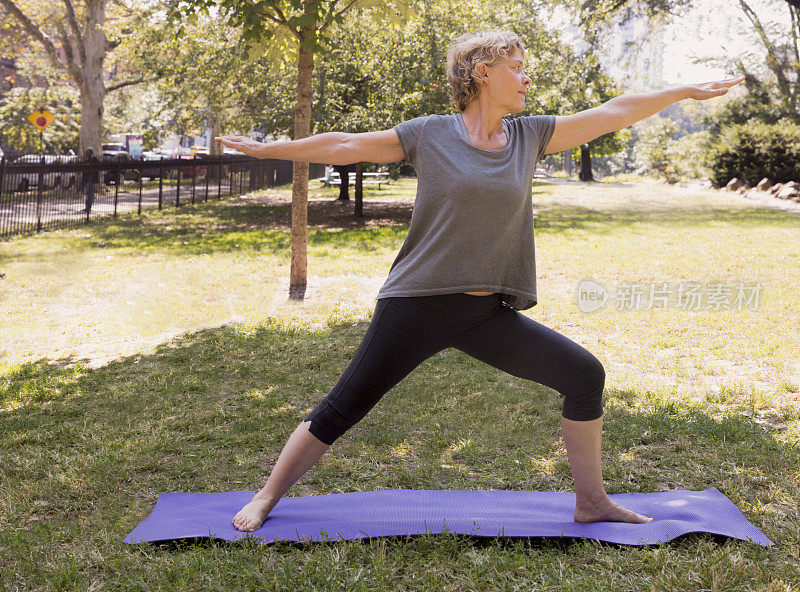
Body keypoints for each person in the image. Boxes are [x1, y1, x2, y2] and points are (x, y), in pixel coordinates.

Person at [214, 29, 744, 533]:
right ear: (483, 72)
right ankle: (267, 495)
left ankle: (592, 501)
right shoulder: (430, 134)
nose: (526, 79)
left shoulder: (530, 136)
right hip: (416, 302)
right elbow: (346, 143)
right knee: (344, 406)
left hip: (486, 313)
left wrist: (680, 91)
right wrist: (269, 150)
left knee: (584, 376)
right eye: (517, 68)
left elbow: (612, 113)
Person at [80, 147, 100, 215]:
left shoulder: (94, 159)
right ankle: (87, 207)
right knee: (88, 194)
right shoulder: (87, 159)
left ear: (91, 153)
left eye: (87, 152)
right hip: (87, 179)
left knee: (90, 194)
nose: (86, 153)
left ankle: (88, 208)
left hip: (91, 180)